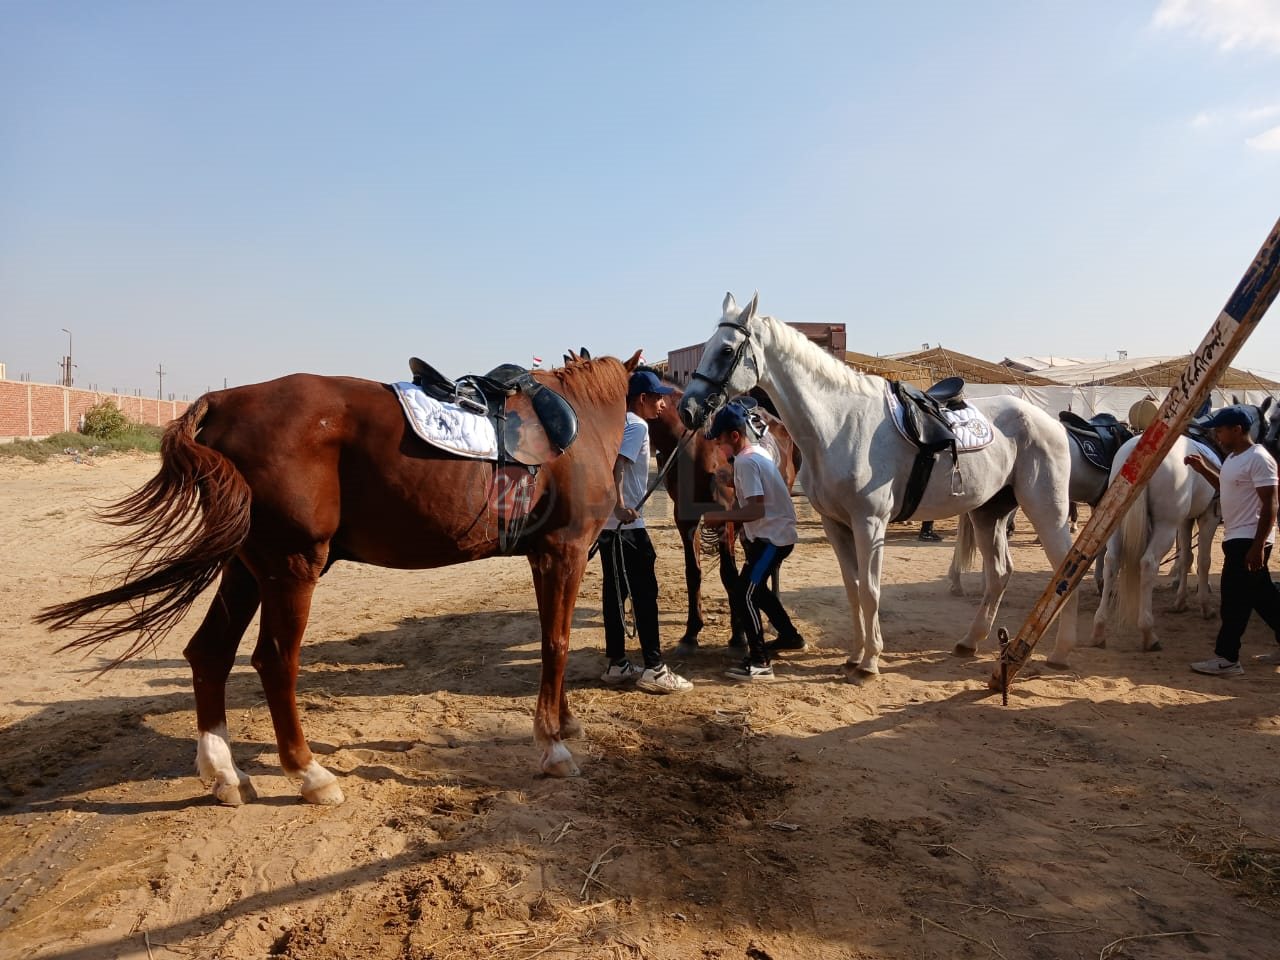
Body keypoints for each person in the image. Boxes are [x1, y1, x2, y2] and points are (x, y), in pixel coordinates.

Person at [598, 369, 693, 694]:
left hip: (609, 529)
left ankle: (617, 663)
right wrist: (621, 506)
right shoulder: (637, 425)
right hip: (628, 526)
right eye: (657, 398)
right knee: (645, 593)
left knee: (614, 593)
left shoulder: (619, 422)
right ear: (642, 399)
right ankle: (654, 667)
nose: (663, 404)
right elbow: (619, 465)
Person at [703, 401, 802, 681]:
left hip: (772, 539)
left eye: (720, 441)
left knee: (744, 593)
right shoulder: (755, 453)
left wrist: (721, 518)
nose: (719, 448)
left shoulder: (746, 461)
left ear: (734, 437)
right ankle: (790, 636)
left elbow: (756, 509)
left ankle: (760, 662)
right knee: (757, 592)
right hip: (774, 535)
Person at [1183, 406, 1280, 676]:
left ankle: (1227, 658)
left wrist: (1258, 545)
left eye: (1220, 429)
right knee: (1265, 598)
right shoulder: (1235, 458)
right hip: (1237, 538)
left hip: (1249, 540)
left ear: (1237, 430)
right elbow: (1225, 488)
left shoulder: (1259, 458)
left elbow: (1271, 503)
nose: (1216, 434)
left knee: (1233, 602)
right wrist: (1202, 469)